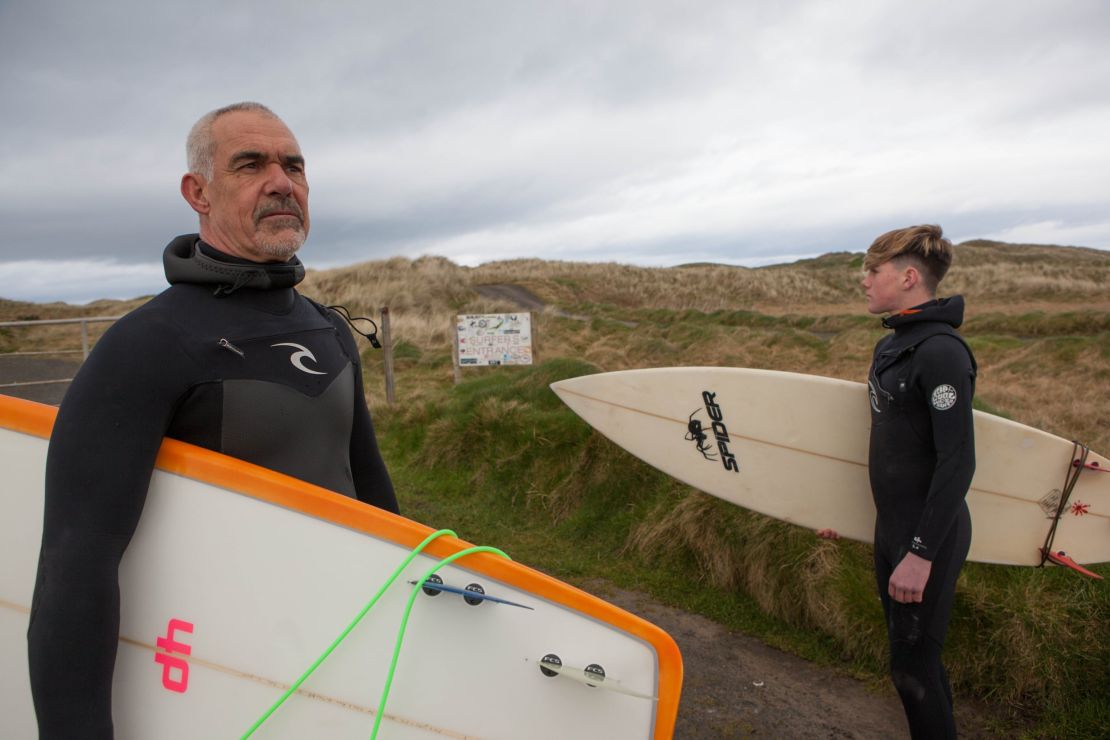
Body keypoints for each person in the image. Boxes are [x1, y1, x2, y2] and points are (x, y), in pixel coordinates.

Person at [28, 102, 399, 738]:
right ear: (197, 192)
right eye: (250, 164)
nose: (282, 182)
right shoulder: (148, 344)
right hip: (215, 677)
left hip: (343, 651)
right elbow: (75, 564)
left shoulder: (330, 329)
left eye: (294, 165)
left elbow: (371, 491)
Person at [817, 224, 976, 739]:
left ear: (909, 277)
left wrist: (921, 554)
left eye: (874, 271)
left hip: (926, 537)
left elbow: (958, 461)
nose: (864, 281)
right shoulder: (892, 346)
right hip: (895, 530)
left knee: (912, 673)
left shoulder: (941, 351)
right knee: (916, 668)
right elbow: (890, 453)